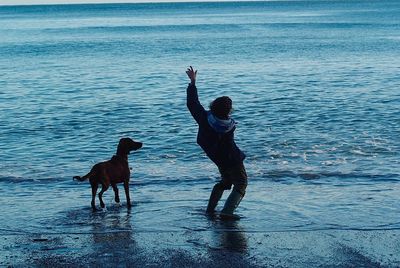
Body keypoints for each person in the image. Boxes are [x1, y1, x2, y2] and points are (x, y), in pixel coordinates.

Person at [186, 66, 247, 219]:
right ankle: (227, 212)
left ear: (212, 106)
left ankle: (210, 210)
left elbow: (192, 103)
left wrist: (193, 82)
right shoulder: (229, 125)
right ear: (228, 111)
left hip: (216, 157)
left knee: (226, 182)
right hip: (231, 159)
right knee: (241, 183)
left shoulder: (204, 117)